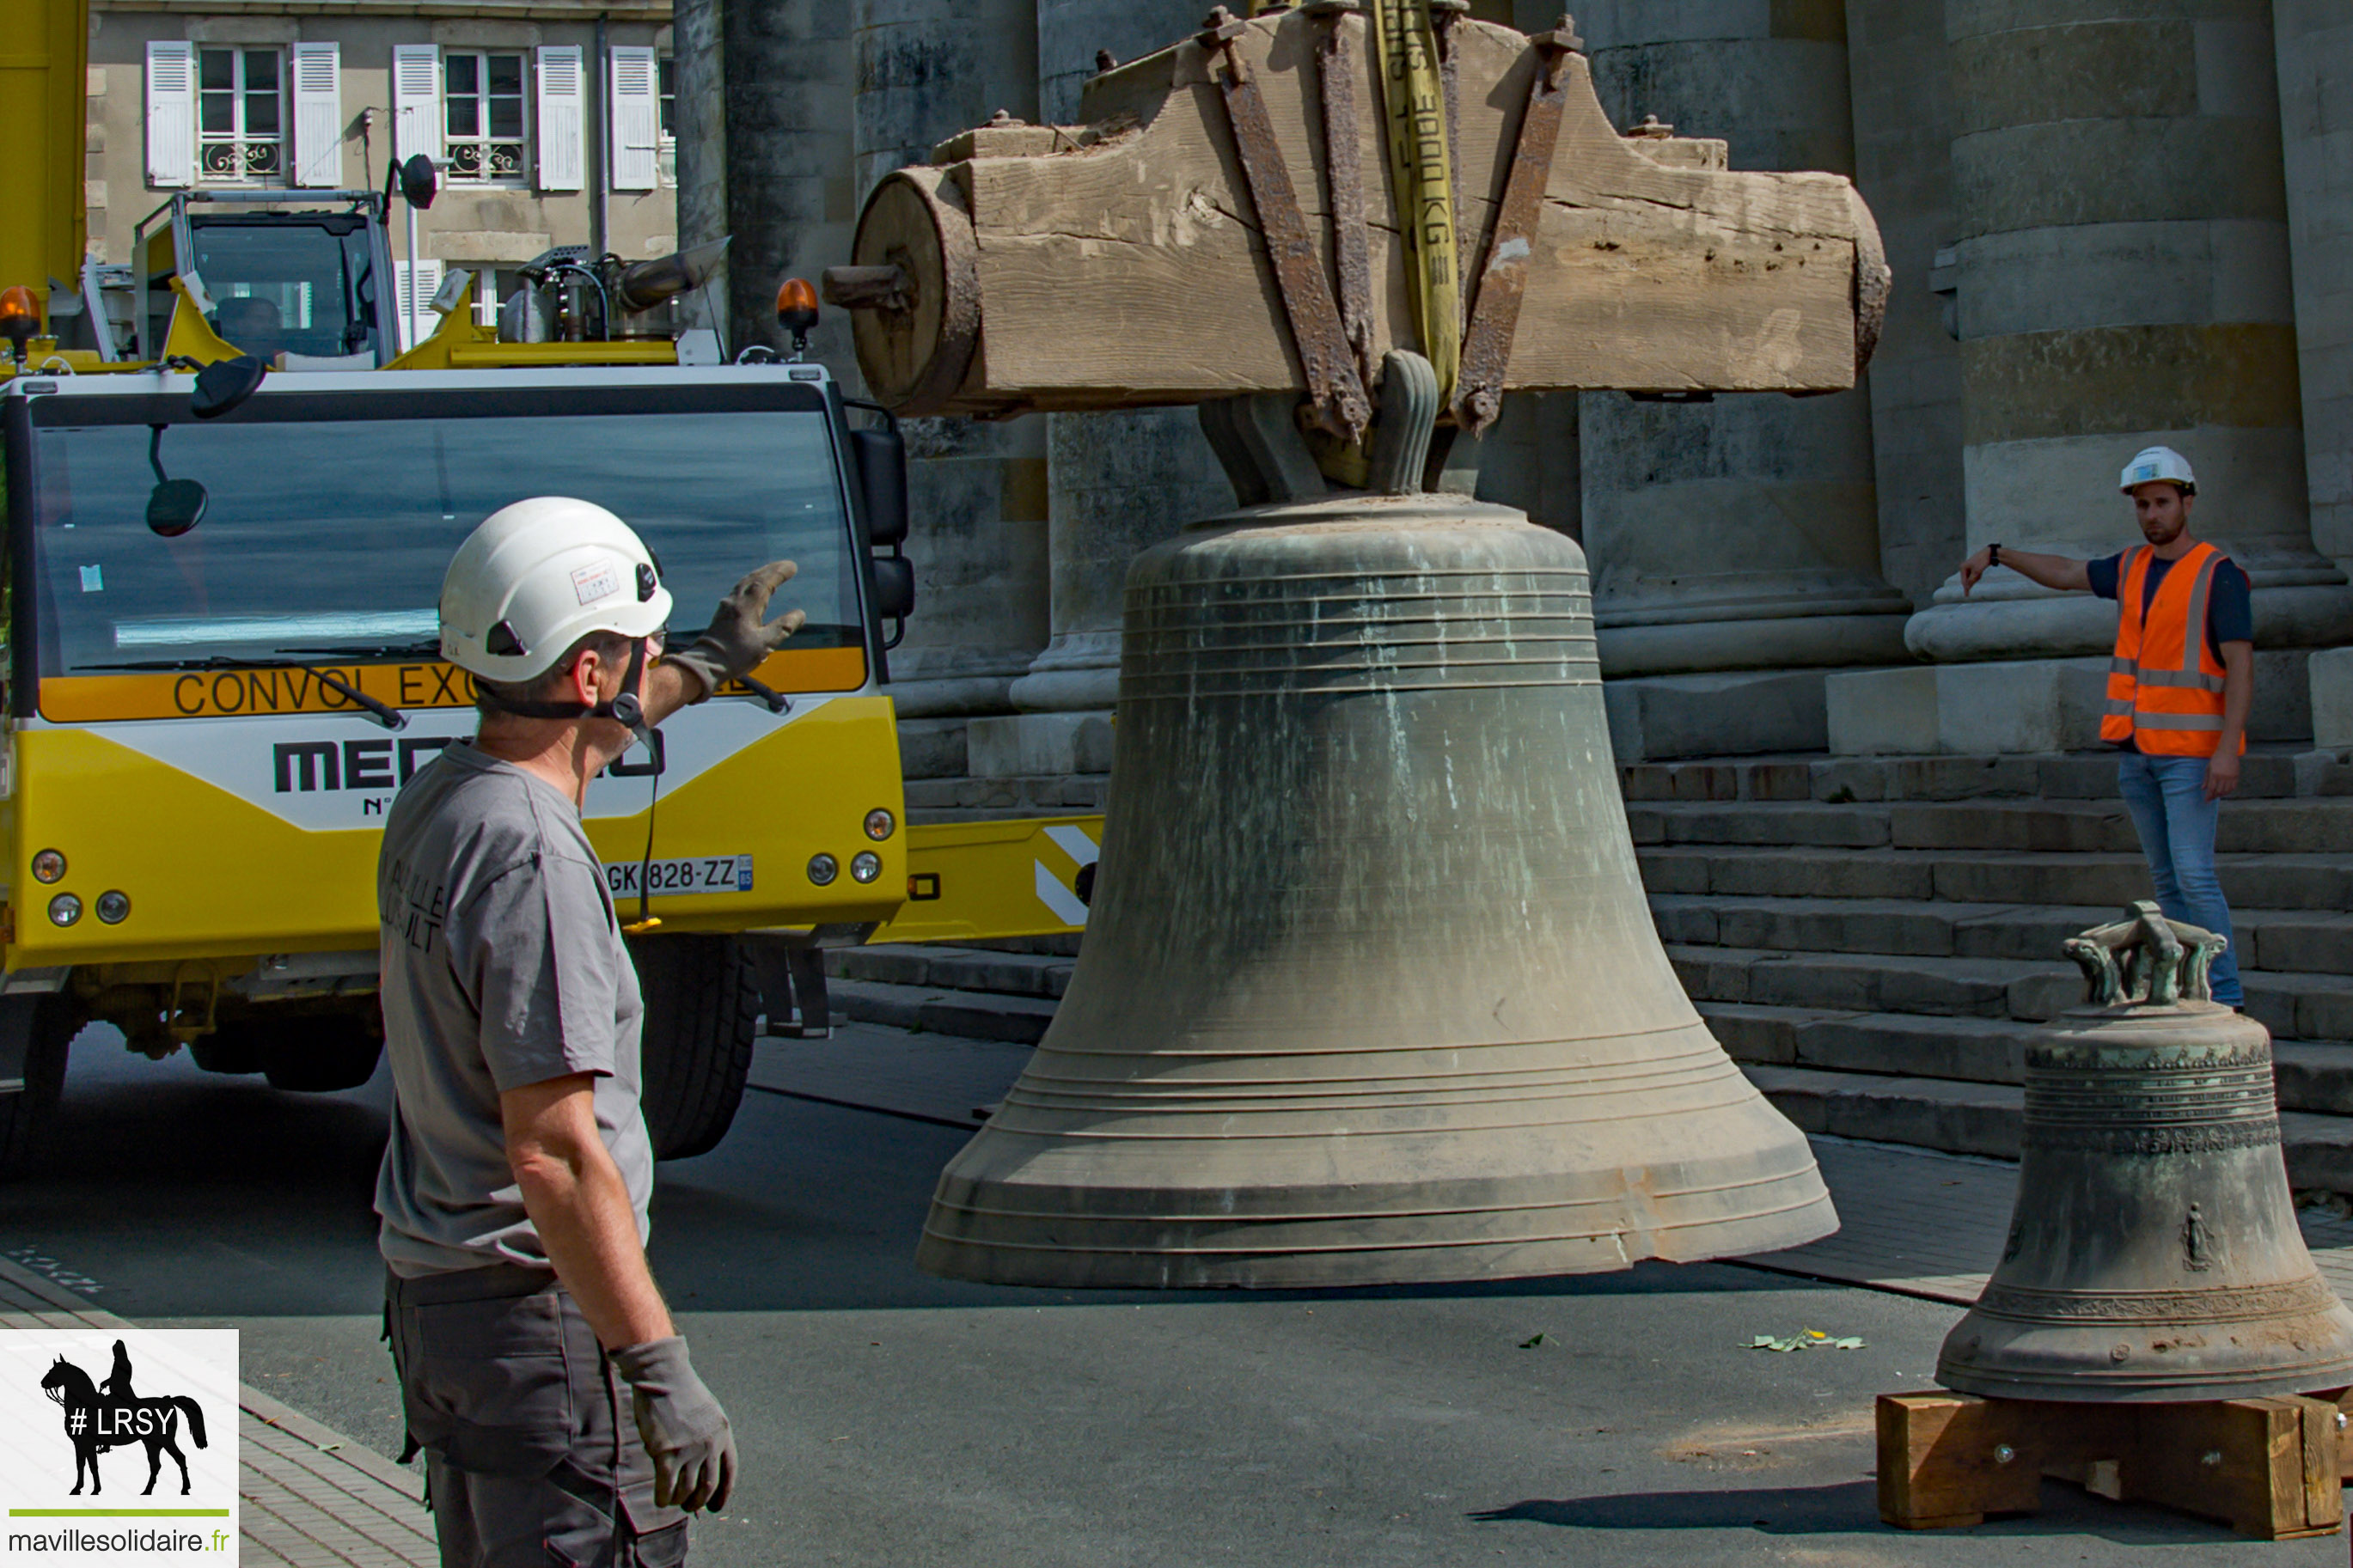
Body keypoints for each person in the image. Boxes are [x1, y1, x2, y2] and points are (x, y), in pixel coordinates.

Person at [376, 496, 804, 1567]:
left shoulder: (445, 799)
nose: (649, 657)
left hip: (449, 1318)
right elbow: (556, 1153)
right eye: (637, 644)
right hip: (543, 1328)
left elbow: (588, 728)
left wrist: (705, 660)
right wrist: (658, 1371)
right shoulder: (537, 859)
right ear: (584, 675)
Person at [1954, 445, 2252, 1008]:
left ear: (2187, 501)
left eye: (2162, 502)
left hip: (2191, 754)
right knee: (2166, 882)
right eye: (2142, 505)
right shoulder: (2133, 567)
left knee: (2194, 877)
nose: (2151, 515)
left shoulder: (2219, 575)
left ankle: (2226, 993)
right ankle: (2191, 983)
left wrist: (2228, 749)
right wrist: (1997, 554)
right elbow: (2066, 573)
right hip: (2137, 754)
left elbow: (2240, 666)